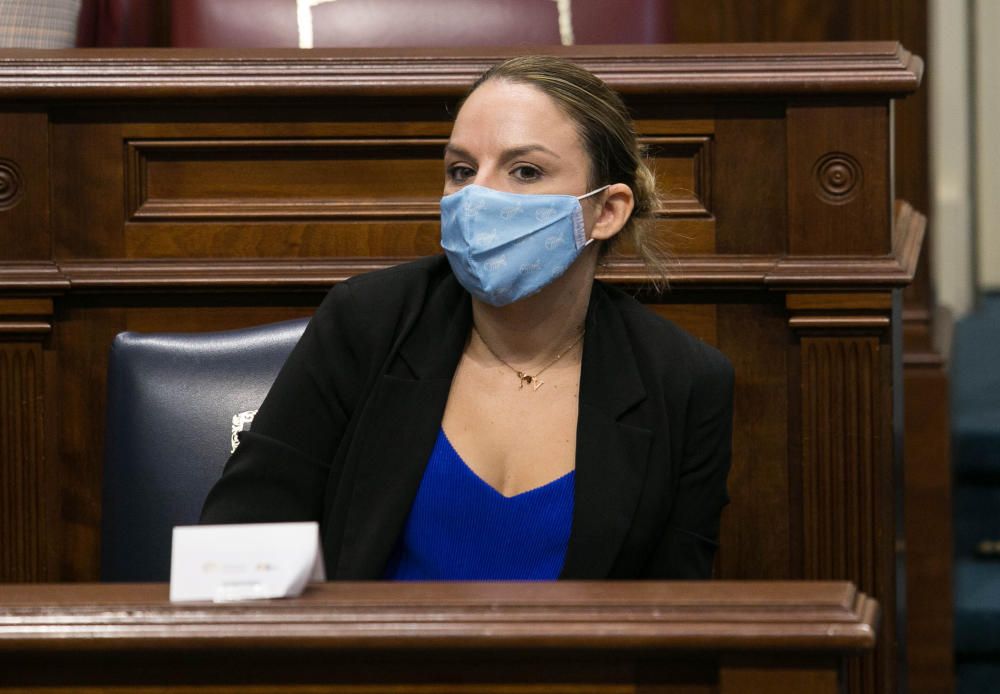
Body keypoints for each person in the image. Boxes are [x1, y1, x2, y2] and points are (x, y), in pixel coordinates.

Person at [200, 55, 734, 581]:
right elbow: (239, 544)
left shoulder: (683, 382)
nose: (477, 195)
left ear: (606, 210)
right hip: (365, 666)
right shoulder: (367, 323)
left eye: (525, 171)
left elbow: (671, 621)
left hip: (579, 671)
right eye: (461, 170)